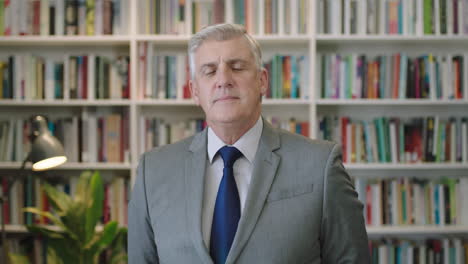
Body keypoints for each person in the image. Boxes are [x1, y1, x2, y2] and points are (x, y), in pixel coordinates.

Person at [128, 23, 370, 264]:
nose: (223, 80)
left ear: (262, 81)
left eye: (237, 67)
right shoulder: (154, 171)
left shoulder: (321, 165)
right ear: (194, 91)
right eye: (209, 71)